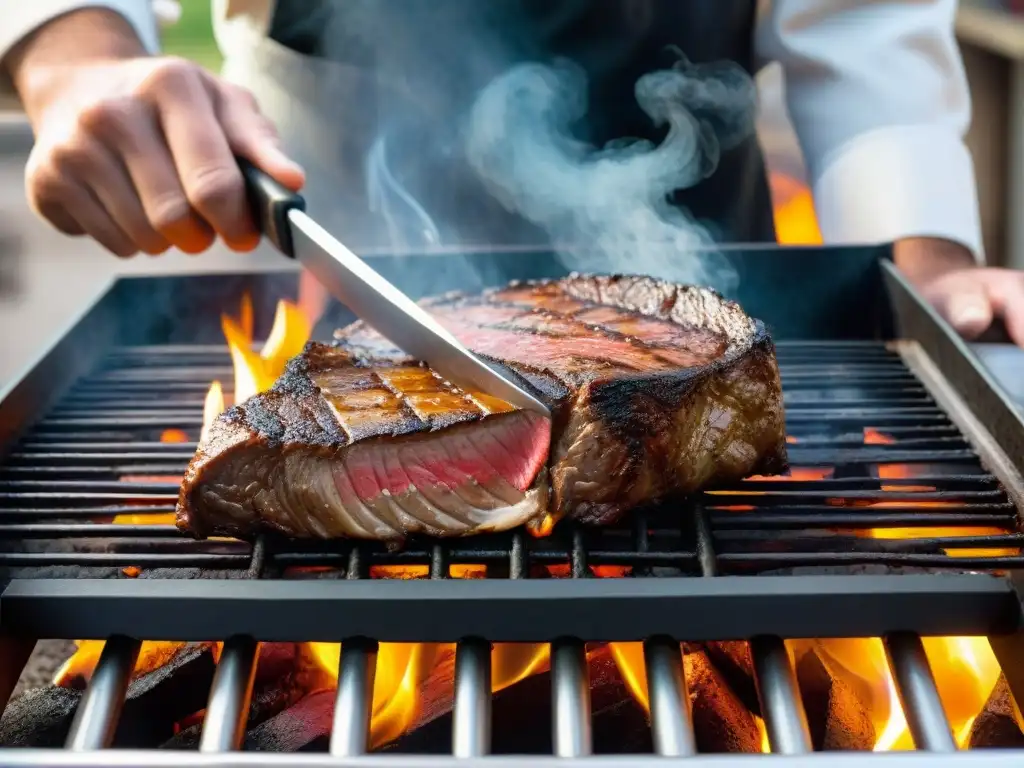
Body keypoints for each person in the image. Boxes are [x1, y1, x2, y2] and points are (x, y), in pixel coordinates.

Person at [2, 0, 1023, 344]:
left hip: (702, 264)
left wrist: (924, 275)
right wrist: (77, 60)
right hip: (317, 231)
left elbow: (866, 30)